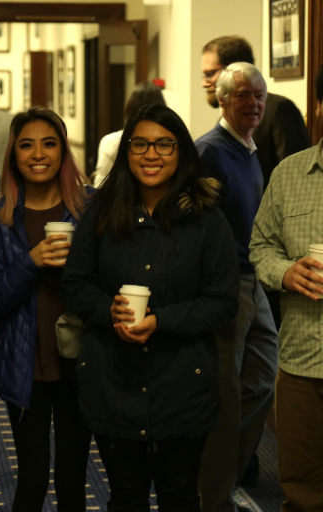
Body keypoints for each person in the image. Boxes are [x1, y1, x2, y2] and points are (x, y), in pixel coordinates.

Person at [61, 104, 240, 512]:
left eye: (164, 144)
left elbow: (223, 302)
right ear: (126, 151)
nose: (151, 154)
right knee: (126, 497)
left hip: (183, 382)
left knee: (179, 497)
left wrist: (163, 320)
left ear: (182, 153)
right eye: (140, 143)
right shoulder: (102, 211)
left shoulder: (207, 219)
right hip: (113, 379)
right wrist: (110, 310)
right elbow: (75, 284)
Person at [0, 107, 92, 512]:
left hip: (81, 360)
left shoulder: (91, 208)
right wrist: (32, 260)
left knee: (73, 477)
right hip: (23, 360)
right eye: (26, 145)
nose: (38, 153)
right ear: (13, 155)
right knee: (31, 476)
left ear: (63, 151)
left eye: (49, 143)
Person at [196, 63, 278, 512]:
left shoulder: (250, 148)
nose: (254, 103)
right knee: (228, 398)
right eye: (243, 95)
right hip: (229, 286)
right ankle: (214, 498)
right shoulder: (208, 151)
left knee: (262, 383)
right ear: (223, 100)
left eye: (259, 95)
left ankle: (219, 483)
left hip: (256, 278)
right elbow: (199, 228)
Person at [249, 64, 323, 512]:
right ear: (319, 106)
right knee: (301, 489)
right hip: (301, 363)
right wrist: (286, 272)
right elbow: (260, 246)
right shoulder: (290, 173)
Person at [201, 35, 310, 190]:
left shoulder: (280, 110)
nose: (204, 82)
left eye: (210, 73)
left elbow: (297, 179)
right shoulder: (224, 122)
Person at [92, 80, 166, 187]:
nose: (151, 155)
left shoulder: (110, 141)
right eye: (139, 145)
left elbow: (100, 185)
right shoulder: (170, 138)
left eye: (163, 145)